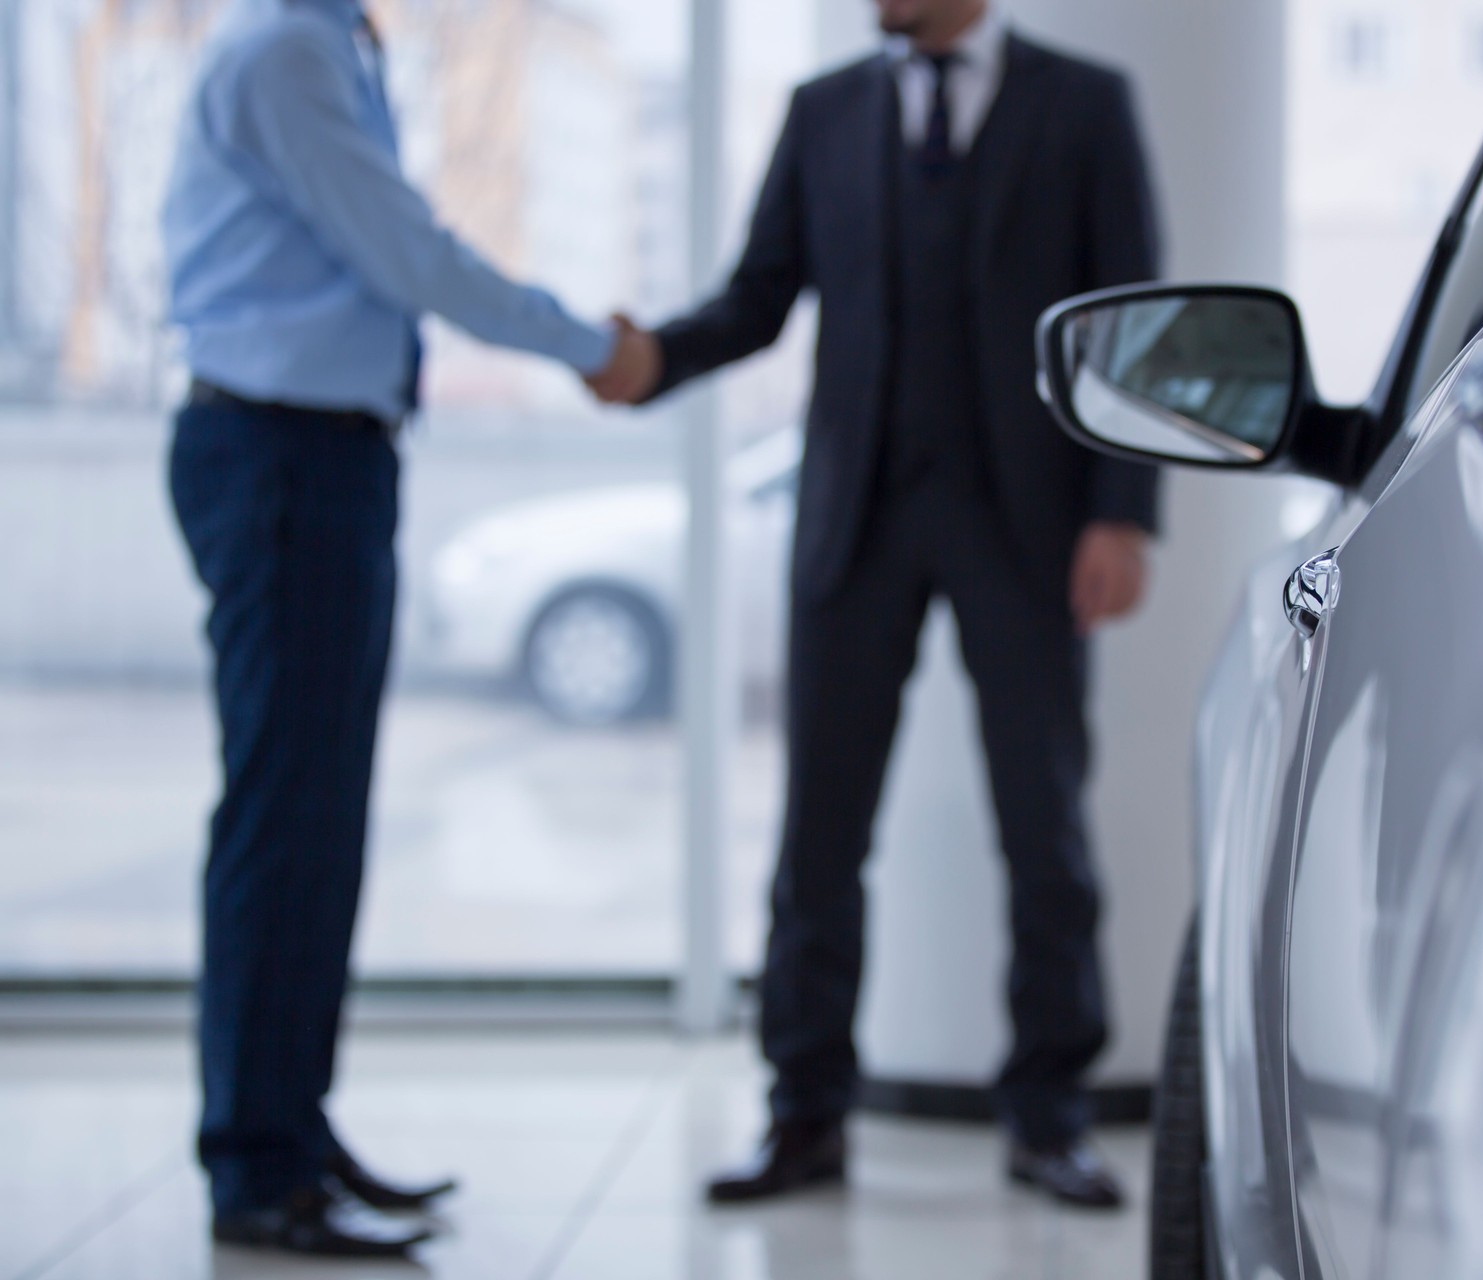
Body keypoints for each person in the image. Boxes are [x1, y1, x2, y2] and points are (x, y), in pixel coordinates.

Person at [624, 0, 1161, 1210]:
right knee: (819, 836)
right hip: (856, 521)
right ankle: (804, 1113)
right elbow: (758, 297)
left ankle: (1049, 1113)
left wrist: (1123, 512)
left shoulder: (1083, 105)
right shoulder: (826, 114)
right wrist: (653, 357)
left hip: (1027, 529)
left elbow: (1131, 320)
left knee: (1045, 833)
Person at [162, 0, 655, 1258]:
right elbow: (406, 252)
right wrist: (585, 343)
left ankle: (289, 1126)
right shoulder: (284, 49)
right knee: (286, 814)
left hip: (319, 453)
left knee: (316, 816)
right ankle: (258, 1162)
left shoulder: (329, 46)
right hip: (281, 453)